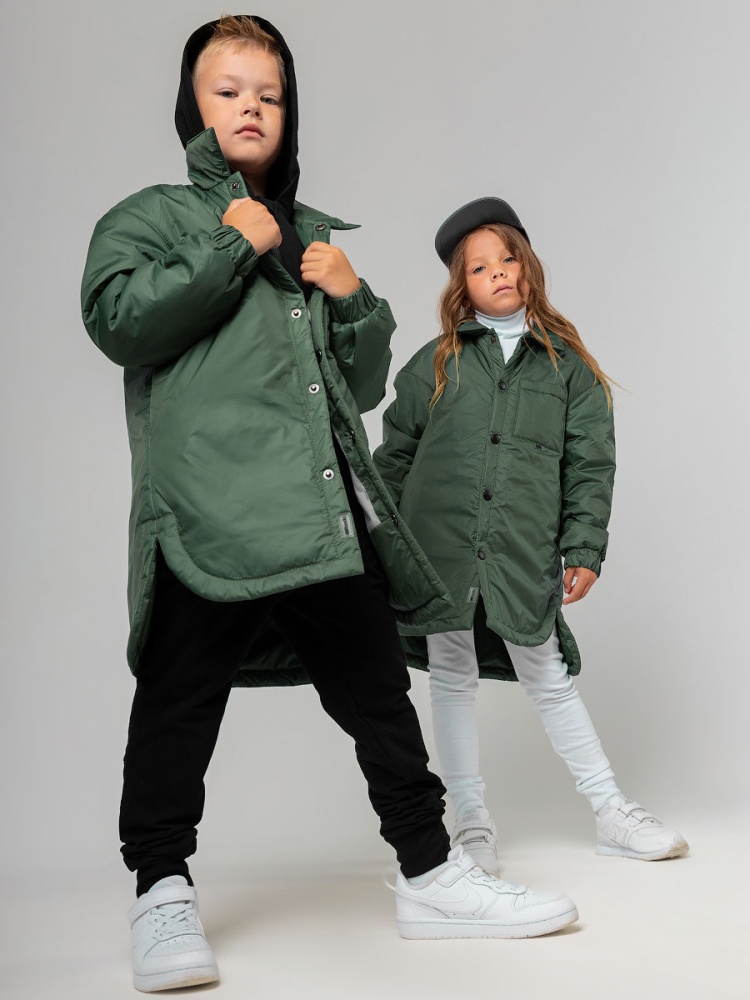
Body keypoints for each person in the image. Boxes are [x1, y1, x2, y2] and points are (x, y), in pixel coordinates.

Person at [81, 23, 579, 993]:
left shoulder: (310, 237)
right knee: (179, 703)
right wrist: (230, 245)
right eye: (227, 91)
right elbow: (119, 321)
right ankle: (160, 889)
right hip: (207, 512)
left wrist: (354, 302)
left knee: (378, 699)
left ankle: (431, 872)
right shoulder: (149, 219)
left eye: (268, 93)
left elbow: (353, 389)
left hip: (320, 511)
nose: (250, 107)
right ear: (192, 110)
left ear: (289, 111)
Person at [373, 196, 689, 876]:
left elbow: (590, 465)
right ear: (462, 286)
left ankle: (609, 809)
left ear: (527, 266)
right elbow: (393, 457)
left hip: (521, 548)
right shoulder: (436, 362)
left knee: (547, 674)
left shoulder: (569, 368)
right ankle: (471, 820)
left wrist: (585, 546)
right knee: (451, 678)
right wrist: (378, 547)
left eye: (507, 257)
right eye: (479, 266)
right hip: (437, 551)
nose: (497, 271)